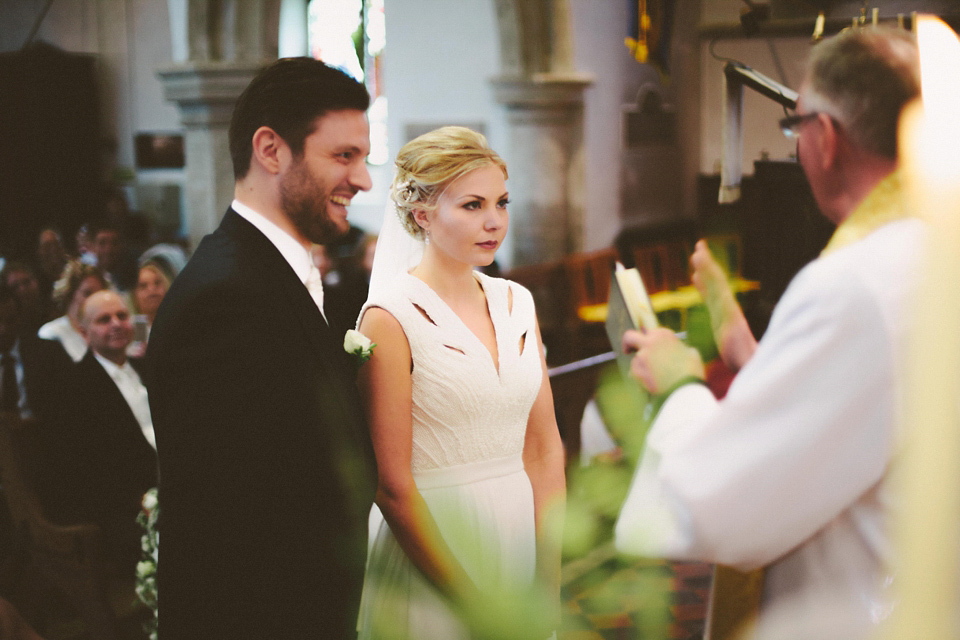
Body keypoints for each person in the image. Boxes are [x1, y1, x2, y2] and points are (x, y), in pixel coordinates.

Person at [614, 26, 923, 636]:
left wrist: (680, 387)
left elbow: (716, 504)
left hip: (852, 606)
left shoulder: (853, 283)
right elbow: (856, 414)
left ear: (826, 138)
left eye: (796, 126)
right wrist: (741, 342)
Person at [147, 57, 377, 640]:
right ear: (271, 151)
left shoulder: (268, 273)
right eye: (343, 156)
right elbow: (231, 528)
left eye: (362, 156)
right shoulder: (226, 300)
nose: (365, 179)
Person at [356, 126, 566, 639]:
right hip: (436, 549)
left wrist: (549, 583)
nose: (495, 221)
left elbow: (543, 449)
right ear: (422, 214)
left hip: (518, 535)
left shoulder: (518, 302)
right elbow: (393, 486)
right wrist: (473, 607)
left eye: (501, 202)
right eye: (472, 205)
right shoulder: (389, 317)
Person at [64, 290, 157, 570]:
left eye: (122, 316)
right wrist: (143, 499)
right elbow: (89, 468)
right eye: (104, 319)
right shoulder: (76, 388)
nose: (116, 324)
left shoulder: (147, 367)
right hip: (125, 507)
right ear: (84, 333)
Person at [37, 260, 108, 362]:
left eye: (99, 294)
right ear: (69, 294)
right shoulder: (51, 333)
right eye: (87, 293)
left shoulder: (106, 330)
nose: (95, 300)